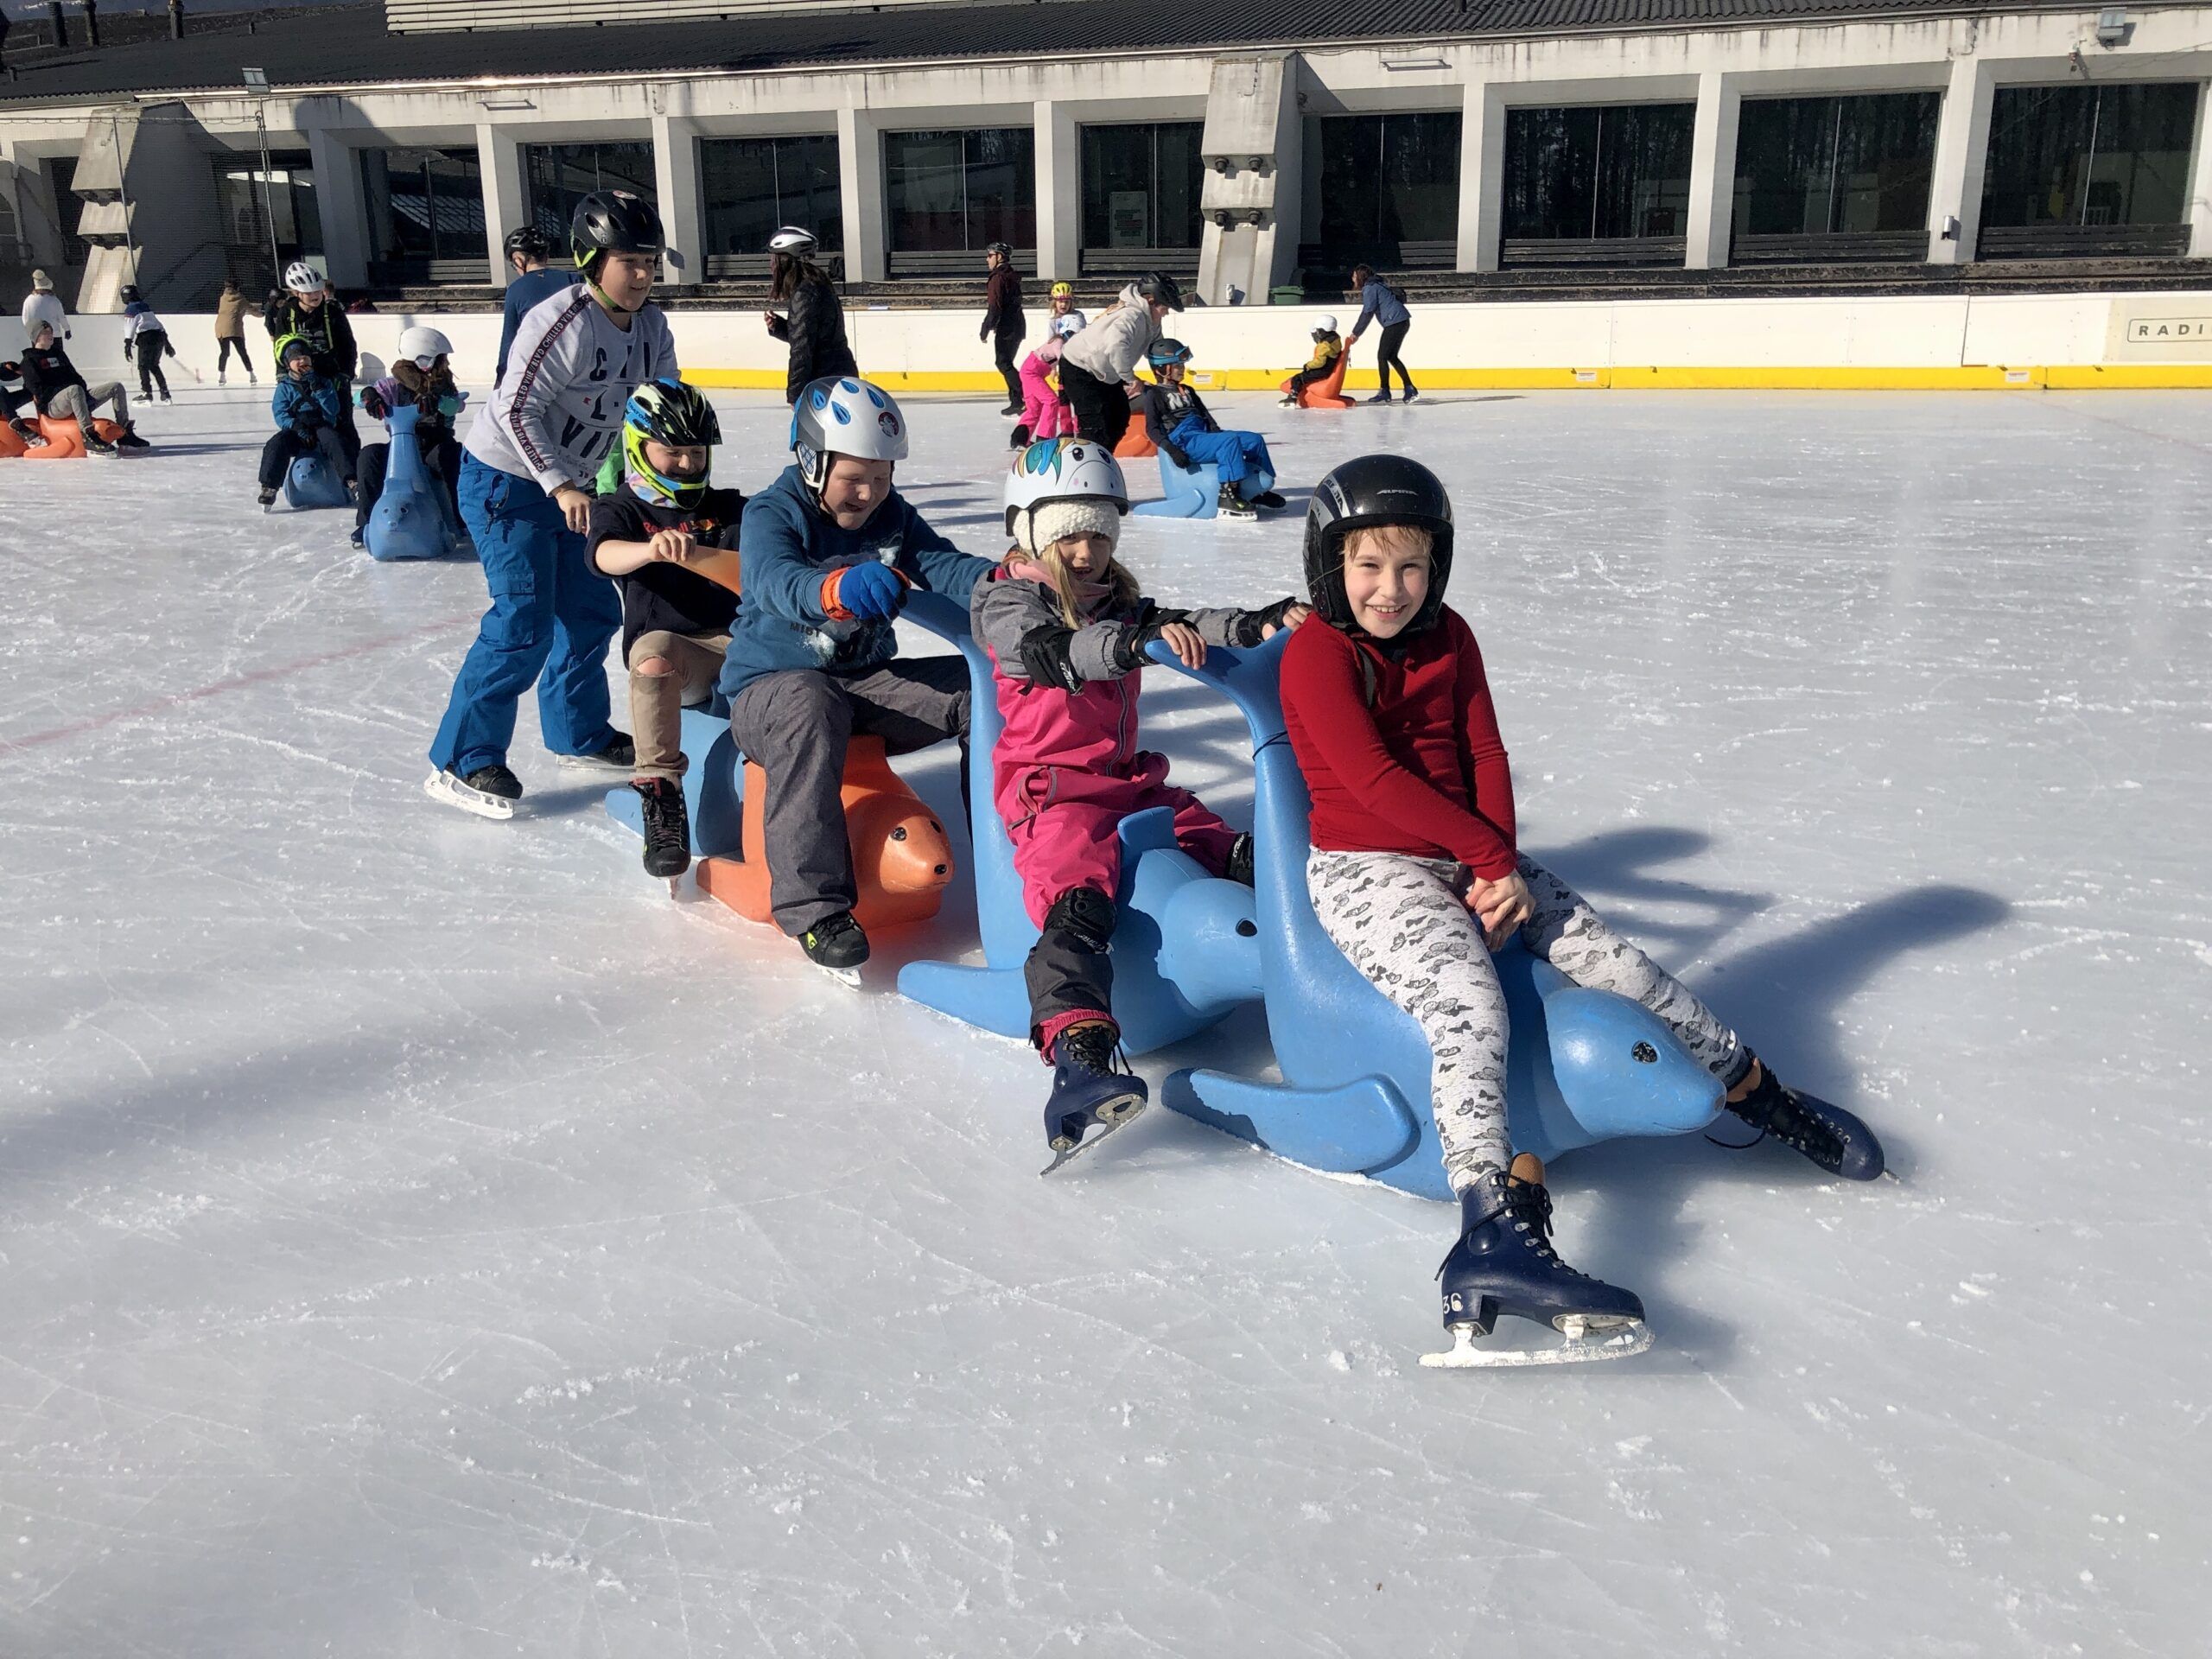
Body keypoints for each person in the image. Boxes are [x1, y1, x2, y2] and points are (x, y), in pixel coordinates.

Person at [1278, 455, 1884, 1359]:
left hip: (1474, 857)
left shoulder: (1451, 635)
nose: (1390, 589)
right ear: (1330, 566)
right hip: (1370, 865)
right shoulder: (1315, 655)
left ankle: (1755, 1093)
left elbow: (1482, 748)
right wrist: (1481, 857)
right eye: (1367, 567)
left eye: (1411, 567)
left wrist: (1499, 868)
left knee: (1621, 965)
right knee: (1469, 1006)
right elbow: (1371, 782)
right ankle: (1487, 1227)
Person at [975, 439, 1306, 1161]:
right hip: (1053, 793)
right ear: (1030, 531)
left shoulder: (1117, 600)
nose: (1086, 550)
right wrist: (1131, 643)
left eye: (1099, 532)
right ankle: (1080, 1055)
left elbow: (1182, 622)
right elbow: (1059, 653)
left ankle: (1317, 936)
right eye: (1068, 533)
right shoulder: (1008, 601)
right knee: (1077, 900)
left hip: (1128, 782)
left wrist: (1257, 623)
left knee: (1225, 842)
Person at [721, 376, 995, 976]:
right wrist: (834, 587)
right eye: (854, 478)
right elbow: (774, 580)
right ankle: (813, 906)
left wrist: (1004, 582)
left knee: (985, 690)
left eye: (882, 475)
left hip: (865, 682)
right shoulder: (773, 512)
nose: (869, 492)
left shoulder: (891, 514)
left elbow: (939, 562)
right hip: (770, 691)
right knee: (808, 699)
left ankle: (1009, 857)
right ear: (812, 463)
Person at [425, 189, 678, 818]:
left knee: (590, 610)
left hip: (578, 489)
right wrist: (560, 484)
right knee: (523, 621)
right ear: (592, 260)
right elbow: (514, 408)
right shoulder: (560, 322)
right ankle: (464, 758)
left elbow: (659, 410)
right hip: (507, 483)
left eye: (650, 262)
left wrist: (666, 486)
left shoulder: (653, 328)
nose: (643, 275)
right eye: (629, 262)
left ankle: (578, 733)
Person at [585, 378, 745, 884]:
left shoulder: (729, 507)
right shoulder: (623, 510)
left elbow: (760, 564)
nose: (686, 465)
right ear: (639, 447)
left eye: (695, 453)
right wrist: (648, 550)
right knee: (651, 653)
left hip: (743, 642)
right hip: (682, 652)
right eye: (672, 452)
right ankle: (661, 795)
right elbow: (602, 555)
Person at [1137, 338, 1285, 519]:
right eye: (1177, 365)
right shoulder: (1154, 394)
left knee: (1254, 440)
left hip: (1202, 435)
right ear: (1162, 369)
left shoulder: (1188, 390)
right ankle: (1227, 496)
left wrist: (1215, 432)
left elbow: (1205, 416)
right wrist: (1172, 450)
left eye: (1182, 364)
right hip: (1185, 441)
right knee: (1229, 441)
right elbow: (1152, 429)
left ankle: (1259, 492)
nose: (1182, 369)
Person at [352, 325, 466, 547]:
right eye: (440, 359)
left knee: (450, 456)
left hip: (434, 443)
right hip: (400, 447)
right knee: (370, 455)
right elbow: (358, 398)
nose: (445, 363)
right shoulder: (392, 385)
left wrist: (439, 401)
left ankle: (458, 518)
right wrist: (368, 396)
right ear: (422, 359)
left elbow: (456, 405)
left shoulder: (443, 385)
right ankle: (366, 522)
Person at [1058, 270, 1182, 451]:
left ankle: (1103, 458)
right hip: (1079, 366)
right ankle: (1087, 466)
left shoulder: (1151, 320)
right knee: (1095, 424)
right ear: (1150, 300)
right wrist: (1131, 378)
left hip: (1106, 370)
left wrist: (1166, 375)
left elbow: (1155, 349)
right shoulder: (1131, 316)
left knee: (1119, 416)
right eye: (1165, 308)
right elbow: (1116, 347)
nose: (1166, 313)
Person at [264, 261, 360, 456]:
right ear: (296, 293)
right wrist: (283, 375)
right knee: (303, 424)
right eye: (309, 292)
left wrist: (345, 374)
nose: (315, 295)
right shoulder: (287, 313)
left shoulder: (332, 311)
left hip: (333, 377)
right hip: (301, 378)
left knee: (344, 426)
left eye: (318, 290)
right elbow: (280, 346)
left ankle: (352, 473)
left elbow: (348, 344)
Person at [18, 321, 145, 454]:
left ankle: (125, 434)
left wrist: (81, 393)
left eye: (51, 332)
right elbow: (39, 391)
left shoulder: (59, 354)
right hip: (53, 406)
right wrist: (69, 391)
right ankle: (88, 436)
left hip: (76, 397)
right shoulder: (29, 361)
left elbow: (75, 376)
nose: (50, 335)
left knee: (116, 387)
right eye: (45, 332)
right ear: (36, 337)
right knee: (74, 390)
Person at [257, 334, 353, 506]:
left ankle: (351, 481)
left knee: (336, 441)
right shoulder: (284, 387)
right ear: (287, 364)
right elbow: (280, 413)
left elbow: (333, 410)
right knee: (276, 443)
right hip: (296, 429)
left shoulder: (324, 382)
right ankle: (269, 487)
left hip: (321, 427)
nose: (302, 361)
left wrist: (319, 389)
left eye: (305, 357)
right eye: (296, 358)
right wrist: (294, 425)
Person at [764, 226, 855, 405]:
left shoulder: (804, 293)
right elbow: (817, 336)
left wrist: (795, 395)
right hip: (839, 373)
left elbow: (802, 350)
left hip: (824, 382)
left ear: (784, 260)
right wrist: (782, 327)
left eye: (773, 258)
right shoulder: (817, 282)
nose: (771, 264)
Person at [494, 226, 578, 384]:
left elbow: (509, 340)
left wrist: (501, 379)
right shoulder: (572, 280)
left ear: (518, 260)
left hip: (537, 374)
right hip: (576, 368)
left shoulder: (515, 290)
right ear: (546, 257)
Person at [1344, 264, 1416, 404]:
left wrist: (1356, 333)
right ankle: (1409, 388)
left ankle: (1385, 390)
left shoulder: (1370, 288)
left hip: (1395, 322)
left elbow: (1368, 312)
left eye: (1354, 276)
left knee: (1382, 357)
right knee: (1391, 356)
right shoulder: (1377, 284)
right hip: (1401, 321)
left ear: (1360, 277)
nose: (1352, 279)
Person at [1008, 315, 1078, 450]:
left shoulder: (1062, 342)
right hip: (1031, 372)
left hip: (1032, 371)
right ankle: (1045, 438)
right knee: (1051, 401)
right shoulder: (1059, 342)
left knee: (1034, 408)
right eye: (1072, 333)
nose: (1074, 337)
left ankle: (1019, 438)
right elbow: (1064, 361)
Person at [981, 240, 1024, 417]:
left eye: (990, 255)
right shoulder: (1011, 275)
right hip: (1017, 324)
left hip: (1007, 326)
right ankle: (1017, 401)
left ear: (999, 257)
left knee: (1003, 362)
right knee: (1006, 362)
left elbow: (995, 306)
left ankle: (1024, 396)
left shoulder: (998, 278)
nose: (987, 260)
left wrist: (986, 327)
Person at [119, 285, 175, 404]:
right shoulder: (145, 306)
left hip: (146, 338)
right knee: (154, 365)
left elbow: (129, 327)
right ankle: (165, 392)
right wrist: (167, 344)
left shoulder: (131, 309)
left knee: (143, 366)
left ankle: (147, 393)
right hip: (159, 336)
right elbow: (159, 324)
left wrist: (127, 345)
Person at [1280, 313, 1343, 404]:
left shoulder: (1324, 345)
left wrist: (1308, 365)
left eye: (1318, 330)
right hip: (1329, 368)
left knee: (1298, 378)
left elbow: (1320, 362)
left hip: (1323, 370)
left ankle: (1292, 398)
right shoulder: (1335, 339)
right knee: (1303, 376)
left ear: (1322, 330)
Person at [213, 279, 257, 385]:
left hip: (220, 329)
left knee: (225, 352)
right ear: (237, 288)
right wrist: (262, 314)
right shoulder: (241, 299)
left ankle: (221, 376)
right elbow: (252, 310)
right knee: (242, 352)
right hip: (235, 330)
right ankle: (251, 375)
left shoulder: (222, 298)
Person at [3, 357, 48, 447]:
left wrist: (12, 369)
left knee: (31, 391)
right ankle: (17, 425)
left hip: (3, 404)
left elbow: (3, 373)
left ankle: (50, 422)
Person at [20, 268, 67, 343]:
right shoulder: (53, 300)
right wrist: (67, 329)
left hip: (37, 337)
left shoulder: (28, 300)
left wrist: (31, 333)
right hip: (54, 335)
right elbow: (61, 317)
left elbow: (25, 319)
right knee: (56, 354)